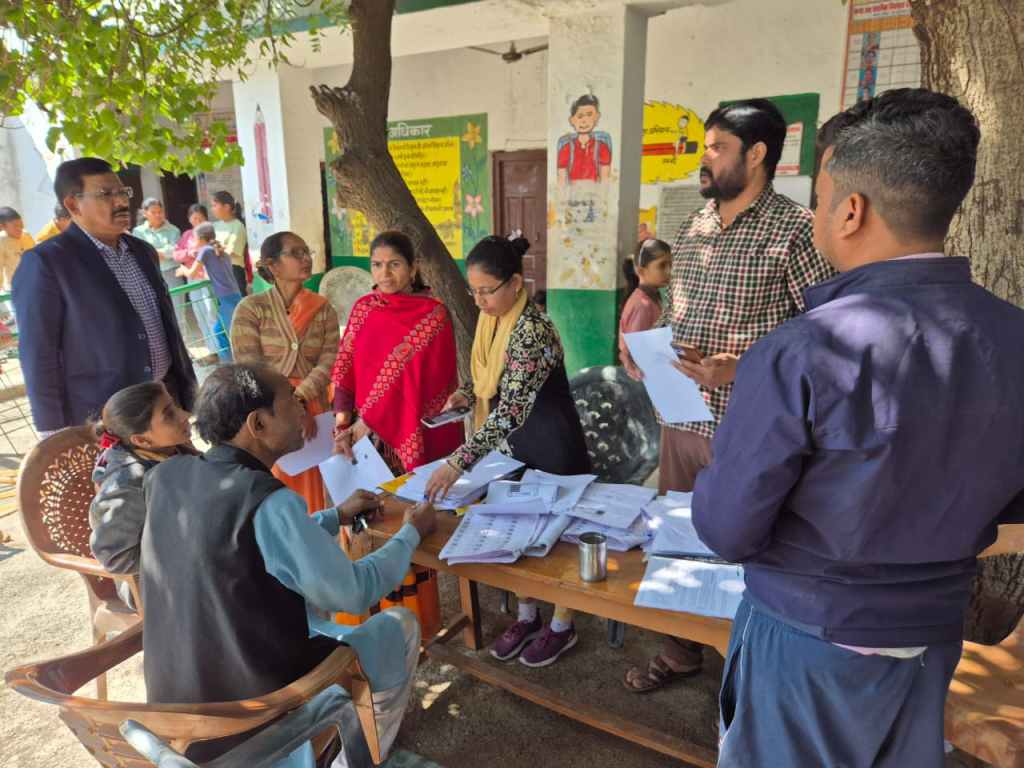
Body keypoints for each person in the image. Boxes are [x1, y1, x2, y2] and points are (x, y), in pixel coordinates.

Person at [693, 87, 1024, 767]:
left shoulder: (801, 351)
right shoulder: (1013, 338)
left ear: (850, 211)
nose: (814, 216)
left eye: (817, 199)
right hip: (932, 635)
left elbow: (727, 529)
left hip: (809, 637)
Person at [621, 99, 834, 693]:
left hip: (750, 427)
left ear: (757, 154)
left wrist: (739, 367)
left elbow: (825, 336)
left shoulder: (794, 232)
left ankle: (748, 662)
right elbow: (676, 310)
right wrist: (648, 352)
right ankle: (681, 646)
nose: (704, 158)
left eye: (716, 147)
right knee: (677, 540)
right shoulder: (693, 227)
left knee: (749, 548)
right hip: (681, 417)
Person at [140, 363, 437, 767]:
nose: (304, 412)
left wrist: (334, 517)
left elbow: (247, 549)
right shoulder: (267, 499)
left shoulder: (167, 477)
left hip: (179, 703)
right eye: (292, 403)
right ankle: (359, 755)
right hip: (252, 710)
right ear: (258, 423)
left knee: (309, 614)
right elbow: (352, 591)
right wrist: (411, 534)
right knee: (398, 627)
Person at [425, 234, 591, 668]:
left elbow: (511, 408)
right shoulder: (493, 320)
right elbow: (486, 380)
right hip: (516, 449)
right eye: (473, 290)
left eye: (486, 290)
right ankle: (527, 615)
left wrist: (457, 462)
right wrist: (465, 394)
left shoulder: (531, 328)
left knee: (555, 542)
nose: (478, 301)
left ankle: (562, 625)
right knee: (518, 532)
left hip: (552, 445)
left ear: (516, 283)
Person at [12, 157, 196, 436]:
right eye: (106, 194)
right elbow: (39, 354)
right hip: (104, 418)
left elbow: (165, 325)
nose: (121, 202)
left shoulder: (142, 251)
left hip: (163, 405)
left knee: (173, 479)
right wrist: (53, 431)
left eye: (123, 192)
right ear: (73, 204)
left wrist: (185, 393)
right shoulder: (47, 263)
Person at [332, 230, 463, 472]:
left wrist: (369, 420)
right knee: (372, 505)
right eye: (377, 265)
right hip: (363, 435)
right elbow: (344, 365)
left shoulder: (434, 315)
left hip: (413, 429)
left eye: (394, 264)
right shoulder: (364, 309)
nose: (385, 273)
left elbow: (430, 379)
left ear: (413, 268)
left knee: (415, 502)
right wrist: (343, 423)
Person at [231, 231, 339, 513]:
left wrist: (301, 400)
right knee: (278, 479)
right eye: (296, 253)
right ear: (273, 265)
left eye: (307, 252)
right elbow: (249, 367)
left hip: (314, 407)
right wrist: (287, 405)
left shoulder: (323, 308)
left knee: (320, 479)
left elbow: (329, 361)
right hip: (270, 412)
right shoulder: (251, 309)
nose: (305, 259)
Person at [88, 381, 194, 606]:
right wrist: (184, 550)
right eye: (169, 415)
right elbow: (115, 558)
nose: (184, 415)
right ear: (141, 440)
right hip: (151, 585)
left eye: (174, 406)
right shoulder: (129, 484)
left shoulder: (168, 448)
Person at [178, 222, 240, 361]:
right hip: (233, 294)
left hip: (225, 297)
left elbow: (191, 274)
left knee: (231, 332)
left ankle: (233, 364)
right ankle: (227, 362)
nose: (193, 242)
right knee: (219, 331)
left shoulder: (205, 251)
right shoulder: (221, 252)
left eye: (194, 239)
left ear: (200, 238)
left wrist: (182, 269)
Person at [173, 203, 222, 357]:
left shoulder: (211, 233)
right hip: (193, 280)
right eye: (194, 219)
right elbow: (176, 255)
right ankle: (212, 351)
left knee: (211, 312)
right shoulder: (187, 235)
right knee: (199, 313)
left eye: (200, 218)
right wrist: (190, 253)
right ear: (189, 219)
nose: (197, 222)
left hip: (208, 279)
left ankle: (220, 349)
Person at [619, 238, 671, 370]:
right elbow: (637, 353)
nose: (669, 271)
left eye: (670, 265)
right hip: (642, 377)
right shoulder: (643, 305)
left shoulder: (652, 297)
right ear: (641, 271)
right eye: (662, 265)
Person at [132, 198, 184, 324]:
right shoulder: (138, 232)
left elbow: (174, 252)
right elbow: (140, 253)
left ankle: (181, 342)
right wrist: (163, 252)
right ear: (145, 213)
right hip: (150, 275)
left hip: (172, 274)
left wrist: (152, 251)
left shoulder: (174, 230)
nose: (158, 215)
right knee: (155, 313)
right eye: (153, 212)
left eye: (160, 211)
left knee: (178, 312)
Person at [556, 93, 612, 184]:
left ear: (597, 117)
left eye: (589, 115)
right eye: (580, 116)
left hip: (596, 194)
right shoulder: (566, 148)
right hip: (572, 195)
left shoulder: (602, 147)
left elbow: (605, 180)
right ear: (572, 120)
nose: (584, 121)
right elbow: (561, 181)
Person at [211, 190, 249, 296]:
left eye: (215, 205)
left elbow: (233, 251)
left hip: (233, 271)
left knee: (237, 307)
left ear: (226, 207)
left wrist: (218, 248)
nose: (212, 209)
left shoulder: (238, 226)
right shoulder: (215, 226)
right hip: (219, 271)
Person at [0, 206, 35, 291]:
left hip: (32, 283)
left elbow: (35, 257)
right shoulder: (2, 242)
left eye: (21, 225)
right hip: (14, 289)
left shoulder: (26, 236)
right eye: (15, 226)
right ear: (3, 227)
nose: (20, 229)